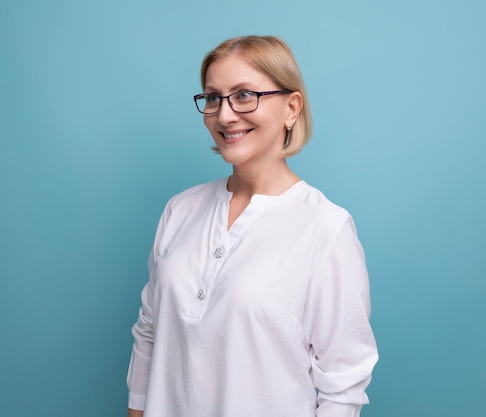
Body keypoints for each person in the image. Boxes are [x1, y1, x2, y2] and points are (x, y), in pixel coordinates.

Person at [126, 35, 378, 417]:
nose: (225, 115)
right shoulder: (180, 210)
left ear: (292, 108)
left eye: (244, 95)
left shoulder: (326, 229)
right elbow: (150, 333)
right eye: (213, 97)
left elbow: (344, 386)